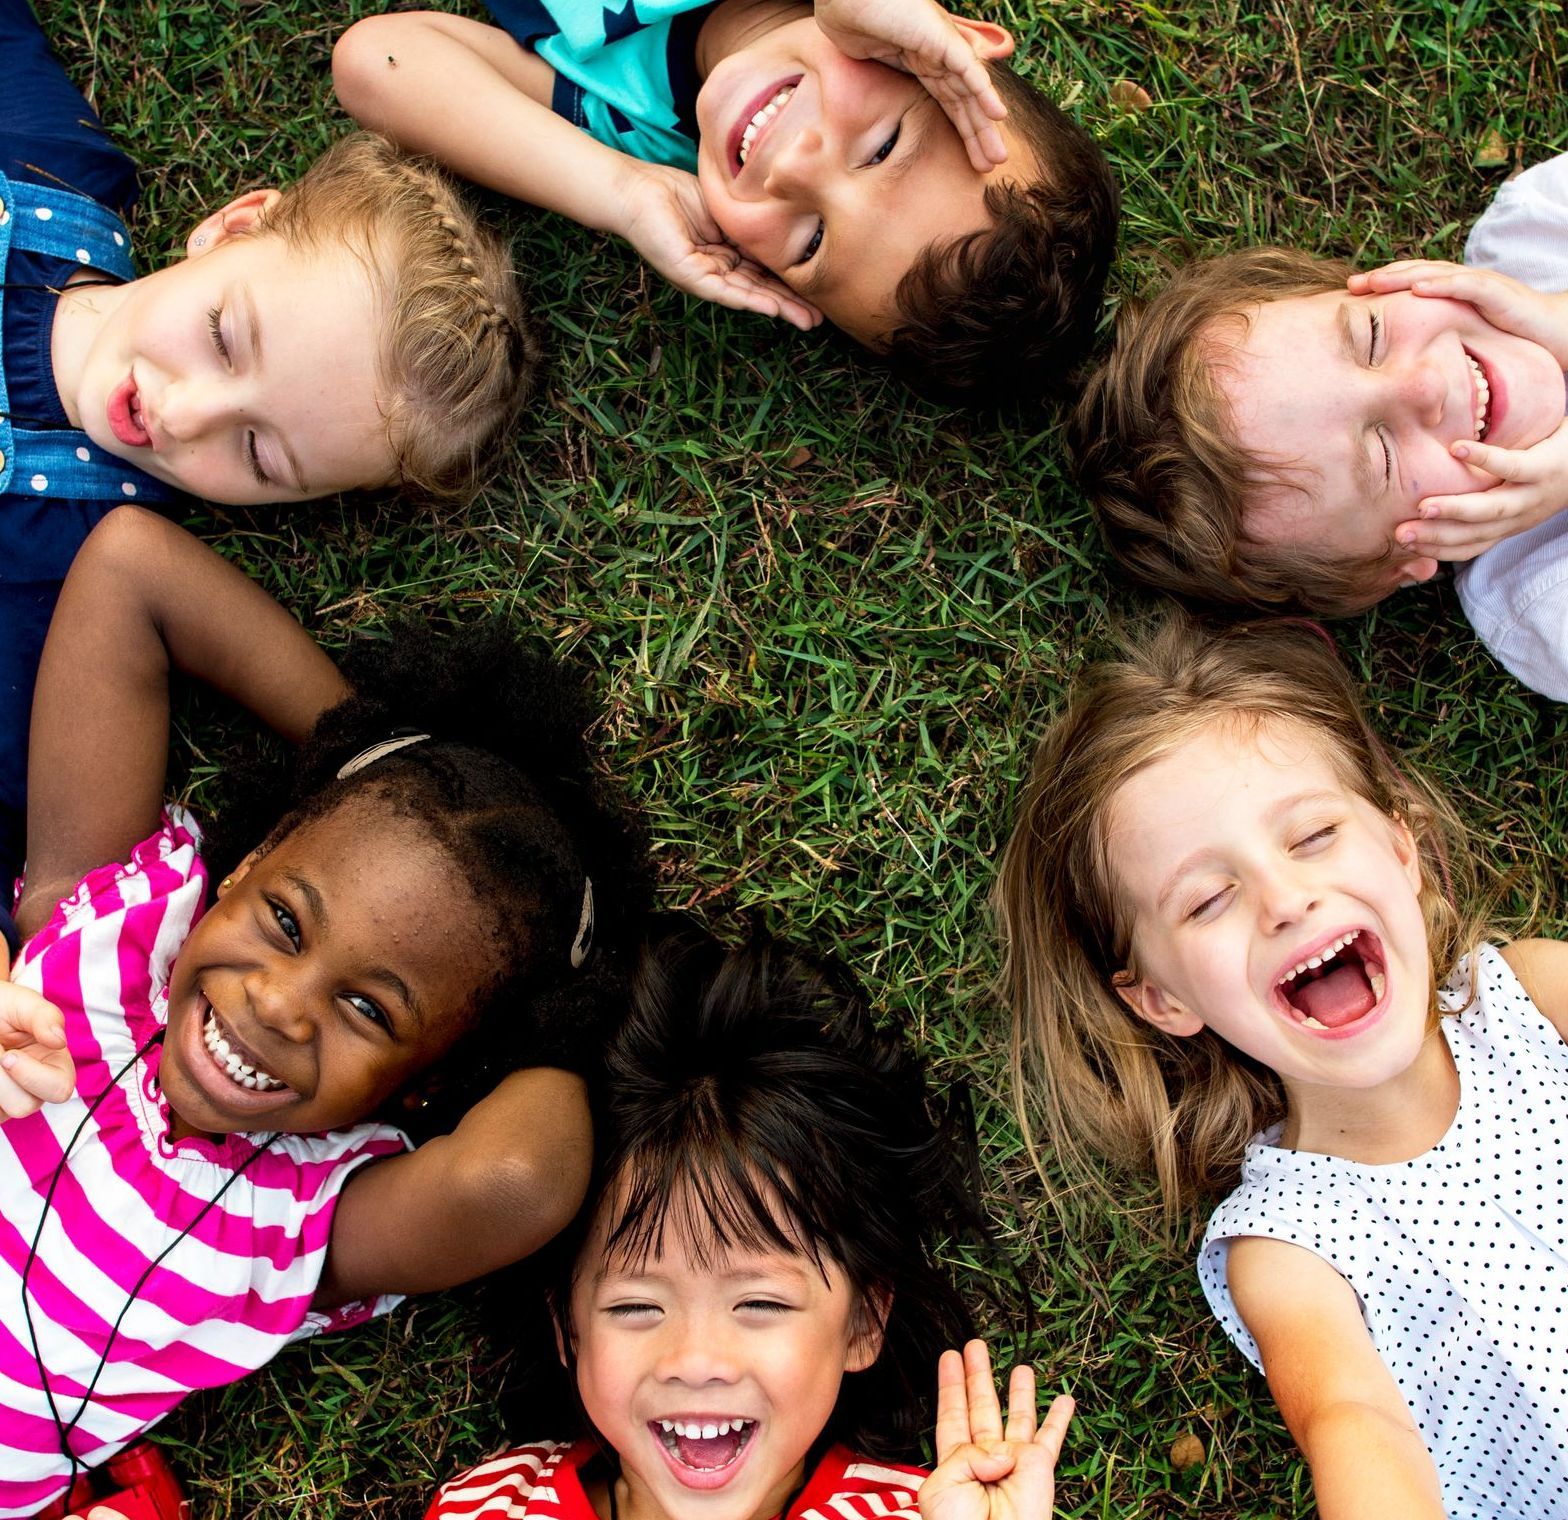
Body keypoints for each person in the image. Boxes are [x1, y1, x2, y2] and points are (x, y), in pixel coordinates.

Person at [0, 506, 653, 1517]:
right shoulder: (102, 939)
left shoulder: (299, 1226)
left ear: (424, 1079)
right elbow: (132, 570)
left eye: (366, 1007)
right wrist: (375, 757)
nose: (276, 1001)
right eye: (286, 918)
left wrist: (567, 1012)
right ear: (248, 864)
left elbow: (520, 1176)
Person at [994, 615, 1568, 1519]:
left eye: (1309, 837)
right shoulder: (1285, 1246)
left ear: (1402, 848)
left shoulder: (1532, 997)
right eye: (1208, 898)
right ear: (1163, 1001)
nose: (1284, 898)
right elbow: (1353, 1422)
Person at [1, 0, 532, 939]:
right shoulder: (52, 170)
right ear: (236, 226)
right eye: (223, 336)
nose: (184, 412)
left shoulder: (65, 586)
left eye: (257, 454)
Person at [422, 924, 1075, 1520]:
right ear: (567, 1325)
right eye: (635, 1307)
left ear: (862, 1323)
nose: (697, 1360)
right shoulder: (491, 1508)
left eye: (759, 1301)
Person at [1067, 147, 1568, 722]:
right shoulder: (1550, 599)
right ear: (1403, 558)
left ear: (1367, 287)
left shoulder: (1547, 225)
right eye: (1384, 456)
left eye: (1371, 336)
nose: (1423, 388)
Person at [329, 0, 1118, 407]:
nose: (795, 170)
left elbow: (378, 63)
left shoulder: (631, 126)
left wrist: (621, 191)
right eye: (880, 148)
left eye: (809, 242)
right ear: (946, 44)